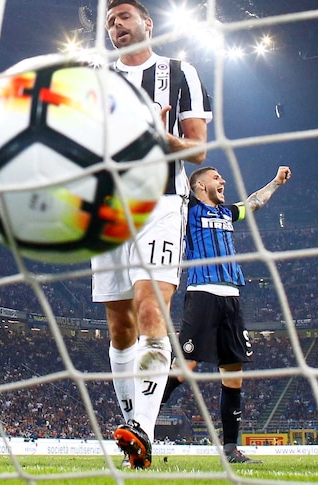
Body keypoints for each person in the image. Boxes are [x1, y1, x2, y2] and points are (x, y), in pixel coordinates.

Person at [90, 0, 212, 470]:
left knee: (149, 309)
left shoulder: (182, 73)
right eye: (110, 23)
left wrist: (163, 140)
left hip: (160, 200)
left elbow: (198, 149)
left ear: (147, 23)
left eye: (123, 17)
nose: (117, 26)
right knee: (120, 328)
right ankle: (135, 434)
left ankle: (142, 425)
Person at [161, 166, 292, 464]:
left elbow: (255, 202)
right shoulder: (189, 210)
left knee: (233, 376)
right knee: (185, 367)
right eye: (217, 177)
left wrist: (275, 182)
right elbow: (175, 179)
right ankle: (143, 421)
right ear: (199, 185)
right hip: (202, 292)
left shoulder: (227, 213)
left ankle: (231, 449)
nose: (223, 181)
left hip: (232, 297)